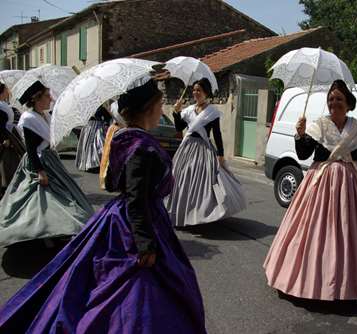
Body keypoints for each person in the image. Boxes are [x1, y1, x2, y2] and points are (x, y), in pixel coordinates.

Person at [0, 76, 207, 333]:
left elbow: (111, 183)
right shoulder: (140, 146)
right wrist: (145, 244)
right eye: (160, 104)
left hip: (122, 215)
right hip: (139, 221)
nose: (161, 111)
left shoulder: (122, 138)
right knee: (138, 291)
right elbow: (136, 198)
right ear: (149, 108)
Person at [263, 79, 357, 301]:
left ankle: (349, 282)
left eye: (339, 99)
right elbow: (304, 154)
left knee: (347, 234)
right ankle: (306, 279)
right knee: (313, 232)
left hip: (349, 187)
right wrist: (300, 134)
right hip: (320, 184)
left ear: (348, 103)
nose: (334, 102)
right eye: (331, 99)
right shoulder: (319, 126)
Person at [0, 81, 94, 247]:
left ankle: (53, 232)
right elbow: (30, 149)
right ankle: (44, 233)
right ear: (36, 99)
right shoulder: (28, 118)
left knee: (56, 198)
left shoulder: (45, 115)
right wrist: (40, 171)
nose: (51, 98)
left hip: (51, 160)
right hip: (40, 162)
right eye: (47, 95)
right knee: (43, 200)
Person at [166, 78, 246, 227]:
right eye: (194, 90)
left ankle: (200, 214)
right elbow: (179, 128)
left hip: (203, 149)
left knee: (201, 181)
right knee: (181, 177)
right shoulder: (189, 110)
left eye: (199, 90)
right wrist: (176, 112)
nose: (196, 93)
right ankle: (182, 212)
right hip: (187, 148)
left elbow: (217, 135)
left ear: (206, 93)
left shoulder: (212, 112)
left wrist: (220, 155)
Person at [0, 82, 24, 199]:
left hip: (10, 137)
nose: (8, 91)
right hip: (5, 139)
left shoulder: (4, 104)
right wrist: (4, 139)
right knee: (7, 163)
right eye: (6, 89)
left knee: (10, 163)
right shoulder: (1, 107)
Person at [75, 104, 112, 172]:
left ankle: (94, 163)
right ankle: (92, 163)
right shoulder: (90, 107)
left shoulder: (100, 107)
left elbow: (107, 117)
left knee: (96, 145)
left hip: (93, 127)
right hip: (91, 127)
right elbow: (107, 117)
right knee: (94, 145)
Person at [99, 101, 125, 189]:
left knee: (112, 154)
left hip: (115, 129)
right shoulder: (115, 105)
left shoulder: (114, 105)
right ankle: (110, 179)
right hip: (117, 129)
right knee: (111, 155)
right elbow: (121, 120)